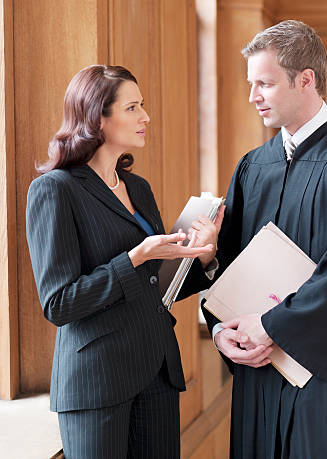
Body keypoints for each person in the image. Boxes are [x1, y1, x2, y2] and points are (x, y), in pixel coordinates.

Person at [201, 20, 327, 459]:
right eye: (251, 83)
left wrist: (272, 326)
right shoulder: (254, 166)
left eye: (265, 84)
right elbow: (230, 267)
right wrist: (221, 330)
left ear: (305, 79)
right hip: (257, 369)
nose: (253, 96)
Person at [26, 65, 223, 458]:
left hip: (157, 373)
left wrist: (203, 256)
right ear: (98, 118)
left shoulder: (137, 187)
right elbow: (59, 303)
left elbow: (156, 287)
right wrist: (135, 257)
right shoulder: (54, 190)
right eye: (132, 107)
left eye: (143, 105)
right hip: (96, 383)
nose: (145, 117)